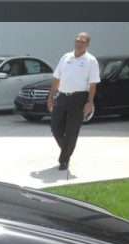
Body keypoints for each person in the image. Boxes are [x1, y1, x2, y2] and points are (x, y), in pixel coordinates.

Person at [47, 32, 100, 170]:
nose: (79, 43)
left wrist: (89, 102)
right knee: (55, 128)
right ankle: (67, 149)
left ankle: (64, 160)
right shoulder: (66, 57)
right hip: (62, 96)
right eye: (77, 40)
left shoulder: (91, 61)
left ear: (87, 44)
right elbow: (57, 78)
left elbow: (93, 84)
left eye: (82, 41)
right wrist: (51, 96)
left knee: (72, 131)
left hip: (79, 99)